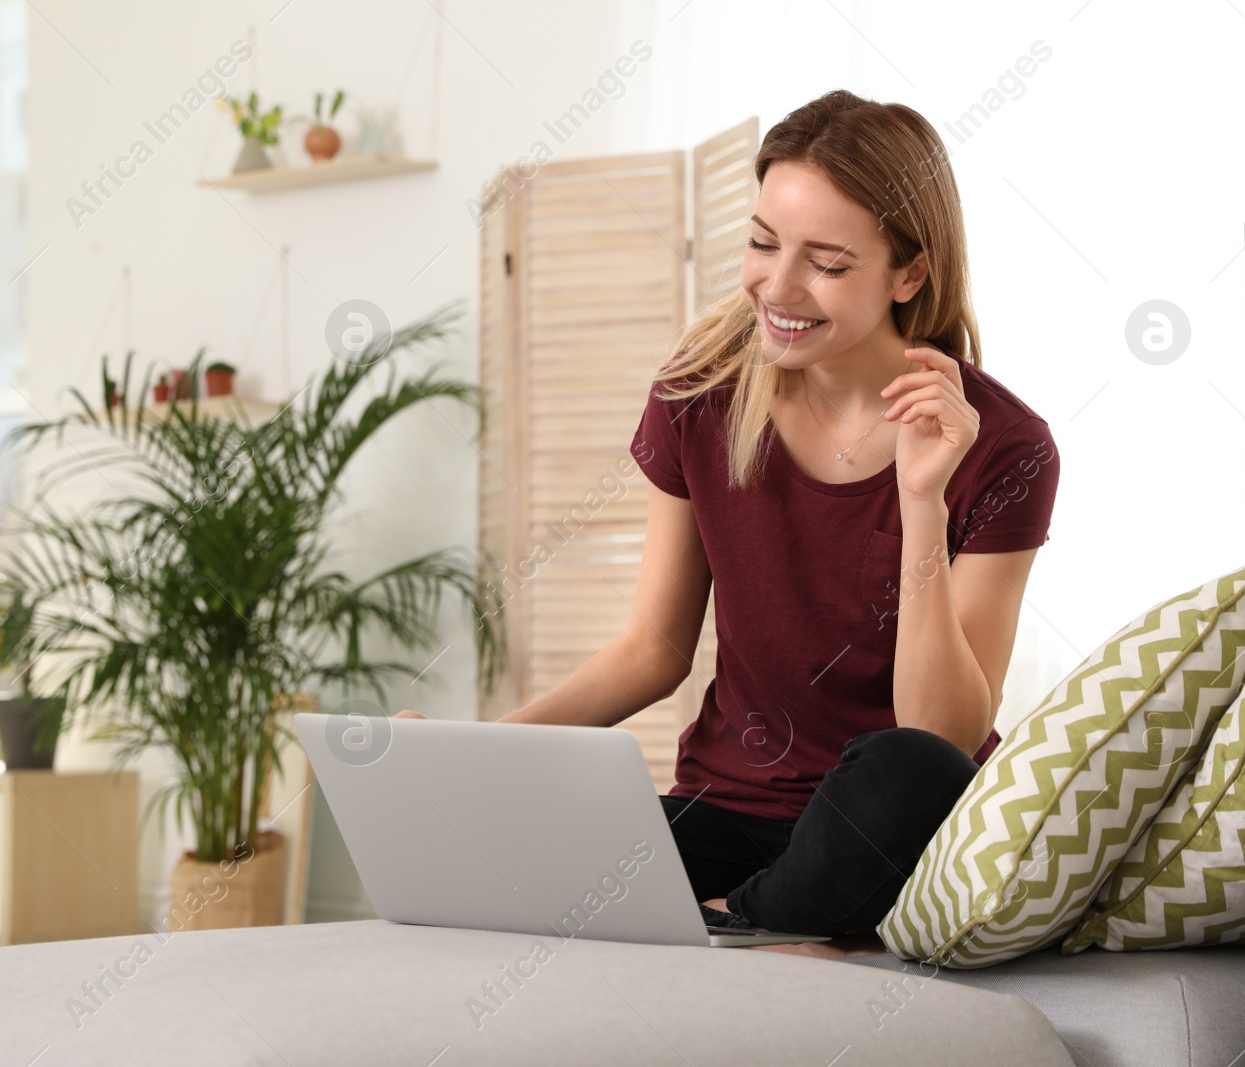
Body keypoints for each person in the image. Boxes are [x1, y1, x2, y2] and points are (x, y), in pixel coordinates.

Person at [400, 89, 1060, 955]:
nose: (777, 288)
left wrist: (921, 500)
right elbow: (653, 649)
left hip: (889, 828)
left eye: (826, 261)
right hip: (731, 809)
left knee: (907, 770)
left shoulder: (1004, 446)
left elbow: (939, 733)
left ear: (910, 272)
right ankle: (768, 919)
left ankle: (737, 918)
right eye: (761, 243)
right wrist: (478, 755)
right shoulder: (701, 392)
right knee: (524, 853)